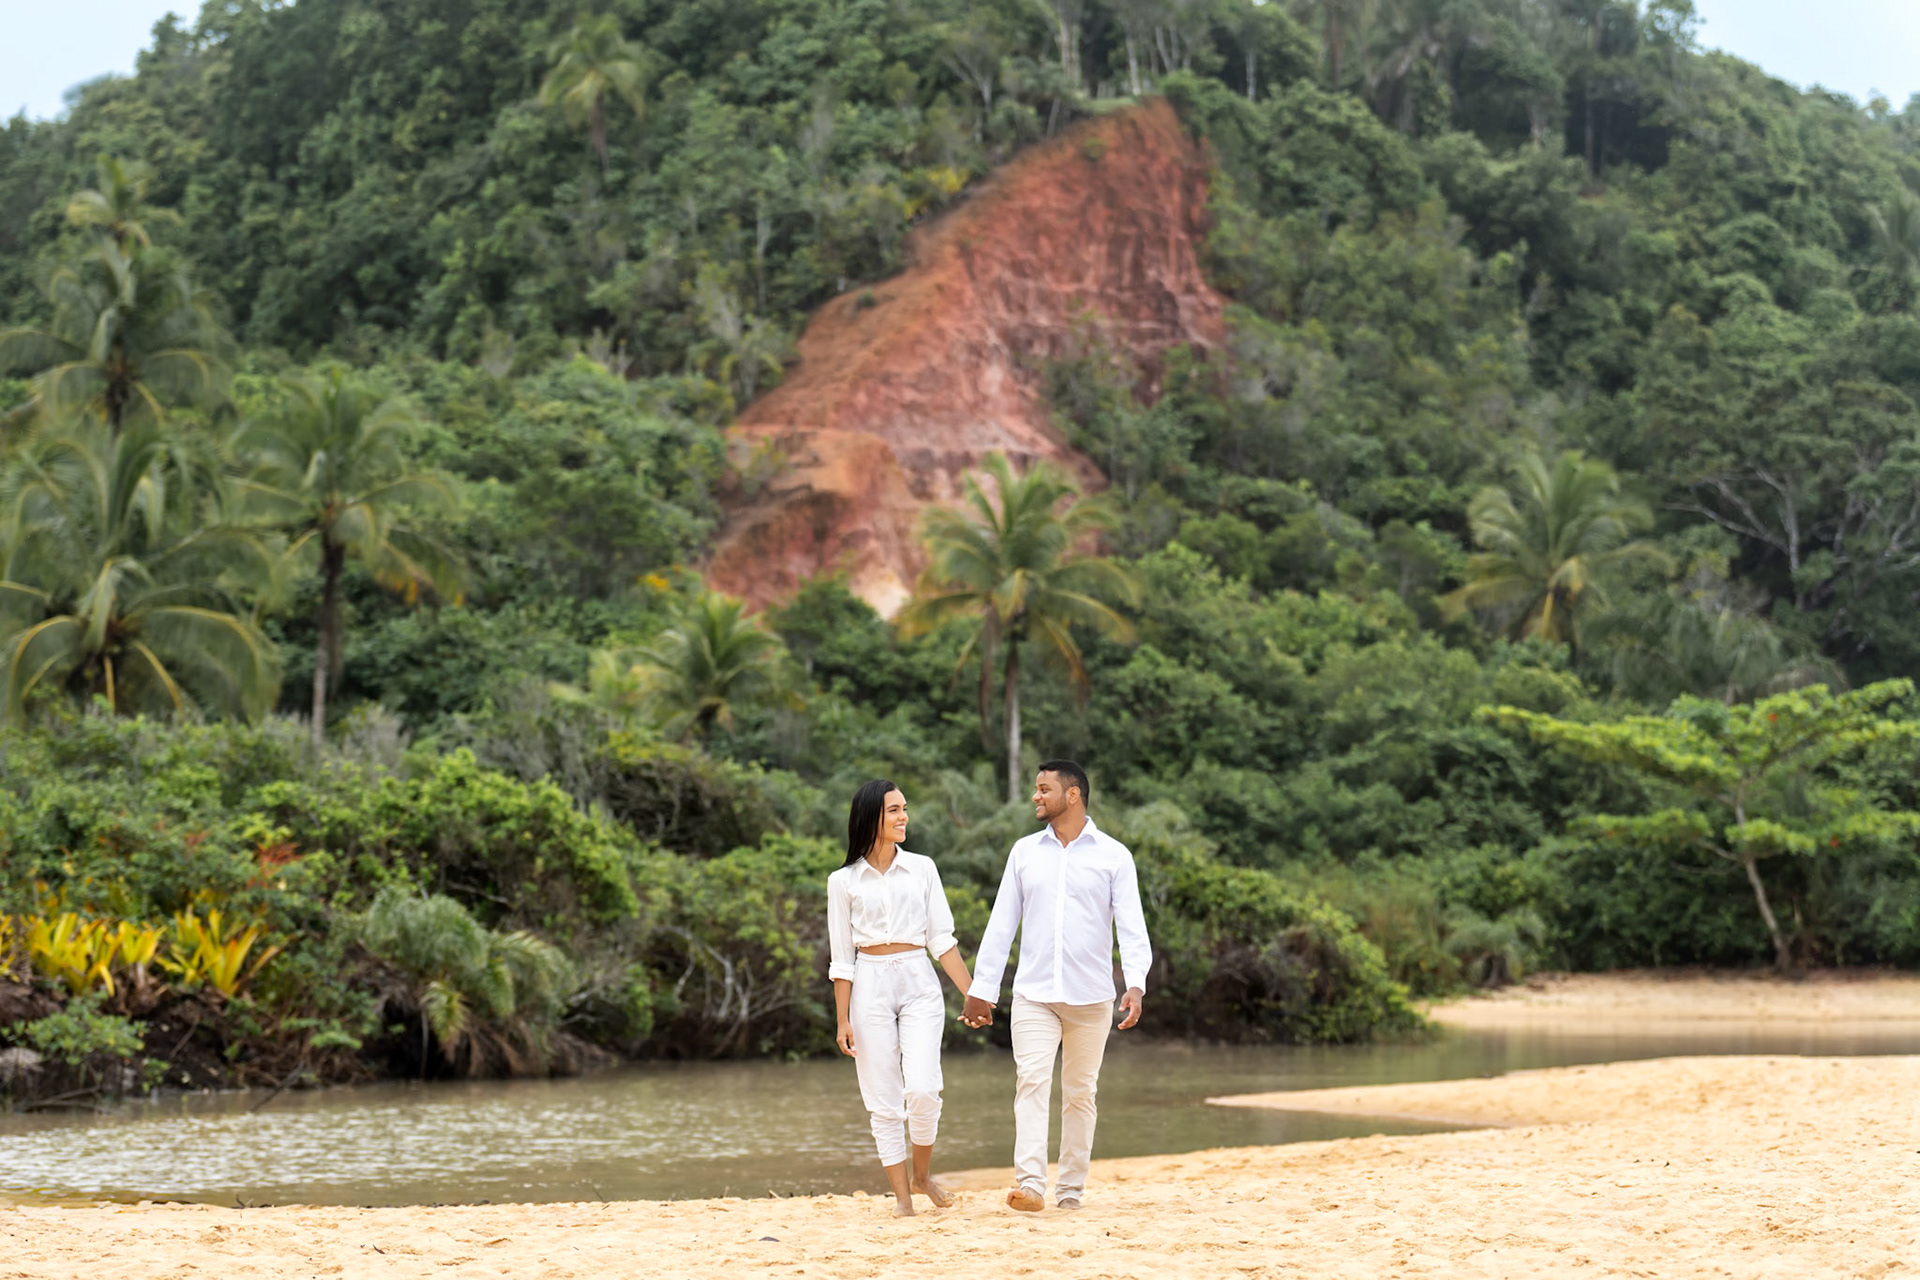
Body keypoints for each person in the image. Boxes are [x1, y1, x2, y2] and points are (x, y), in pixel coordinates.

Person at [962, 760, 1151, 1213]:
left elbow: (1132, 927)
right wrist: (981, 988)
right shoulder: (1024, 853)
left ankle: (1070, 1191)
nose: (1035, 796)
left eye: (1044, 789)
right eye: (1035, 788)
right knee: (1030, 1081)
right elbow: (1001, 923)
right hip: (1034, 995)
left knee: (1081, 1094)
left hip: (1093, 998)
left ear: (1073, 795)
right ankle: (1030, 1185)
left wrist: (1137, 984)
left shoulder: (1114, 856)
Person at [828, 778, 975, 1216]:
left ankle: (923, 1174)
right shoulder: (843, 881)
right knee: (884, 1100)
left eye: (904, 809)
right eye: (894, 810)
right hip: (869, 983)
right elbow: (841, 959)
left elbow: (942, 940)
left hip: (918, 981)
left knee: (925, 1089)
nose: (903, 816)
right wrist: (842, 1019)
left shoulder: (924, 868)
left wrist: (974, 995)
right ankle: (903, 1199)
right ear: (871, 816)